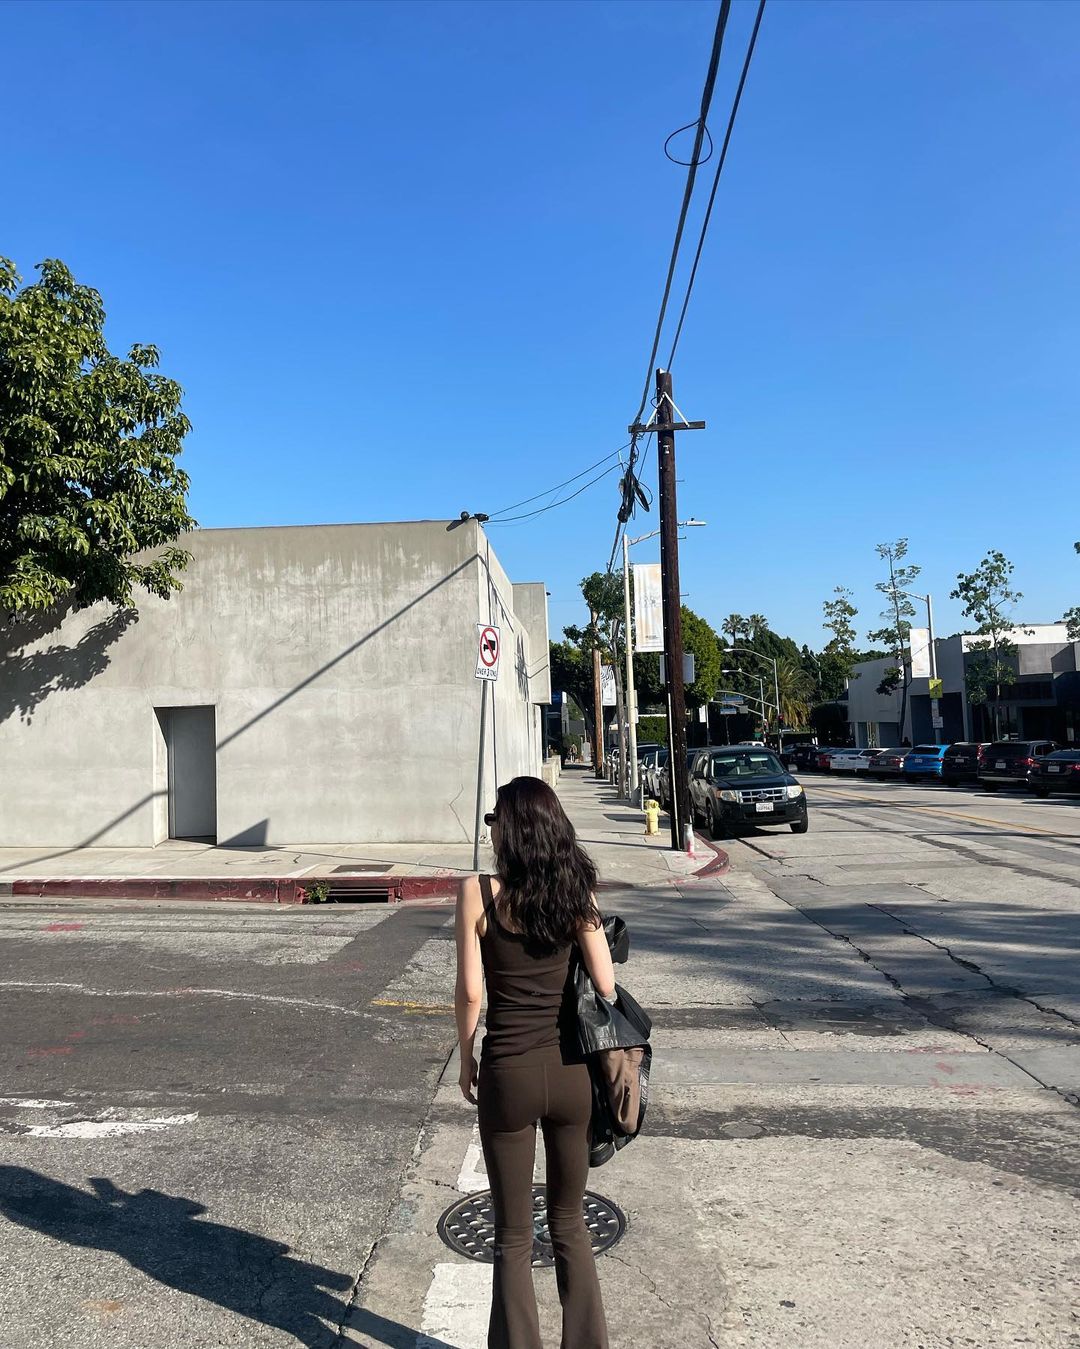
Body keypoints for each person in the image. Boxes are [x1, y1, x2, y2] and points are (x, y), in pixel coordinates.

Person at [455, 776, 614, 1349]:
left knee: (513, 1235)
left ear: (511, 830)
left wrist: (467, 1057)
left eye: (494, 820)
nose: (491, 830)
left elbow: (471, 991)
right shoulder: (576, 891)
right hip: (571, 1074)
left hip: (508, 1073)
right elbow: (605, 983)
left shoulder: (478, 892)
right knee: (570, 1223)